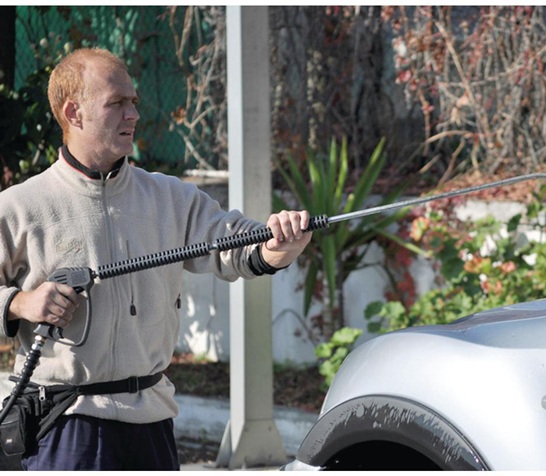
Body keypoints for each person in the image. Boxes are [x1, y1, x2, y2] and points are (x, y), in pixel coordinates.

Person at [0, 47, 312, 470]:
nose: (133, 115)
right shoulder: (19, 207)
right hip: (63, 427)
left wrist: (278, 247)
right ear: (74, 113)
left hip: (151, 425)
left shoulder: (170, 196)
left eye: (134, 102)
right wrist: (20, 303)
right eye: (116, 103)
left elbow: (237, 246)